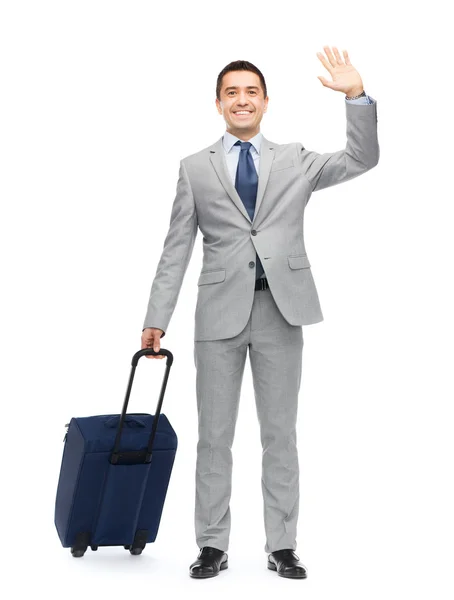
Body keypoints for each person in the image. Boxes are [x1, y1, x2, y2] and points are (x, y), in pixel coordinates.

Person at [141, 46, 379, 579]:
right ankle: (211, 544)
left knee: (280, 434)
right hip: (217, 317)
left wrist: (356, 97)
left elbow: (361, 160)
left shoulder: (295, 159)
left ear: (265, 102)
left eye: (251, 91)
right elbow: (175, 246)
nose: (242, 99)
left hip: (282, 312)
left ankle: (283, 545)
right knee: (214, 437)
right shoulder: (194, 168)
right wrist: (157, 316)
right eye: (232, 92)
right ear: (218, 104)